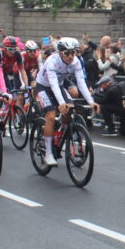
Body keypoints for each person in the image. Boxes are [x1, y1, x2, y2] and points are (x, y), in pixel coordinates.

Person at [33, 37, 99, 167]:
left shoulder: (76, 62)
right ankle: (48, 153)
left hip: (59, 85)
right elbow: (53, 85)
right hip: (43, 87)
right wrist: (61, 102)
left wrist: (91, 101)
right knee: (51, 116)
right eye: (67, 53)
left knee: (69, 111)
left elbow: (81, 83)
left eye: (73, 52)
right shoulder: (52, 61)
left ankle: (59, 136)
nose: (70, 56)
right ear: (60, 52)